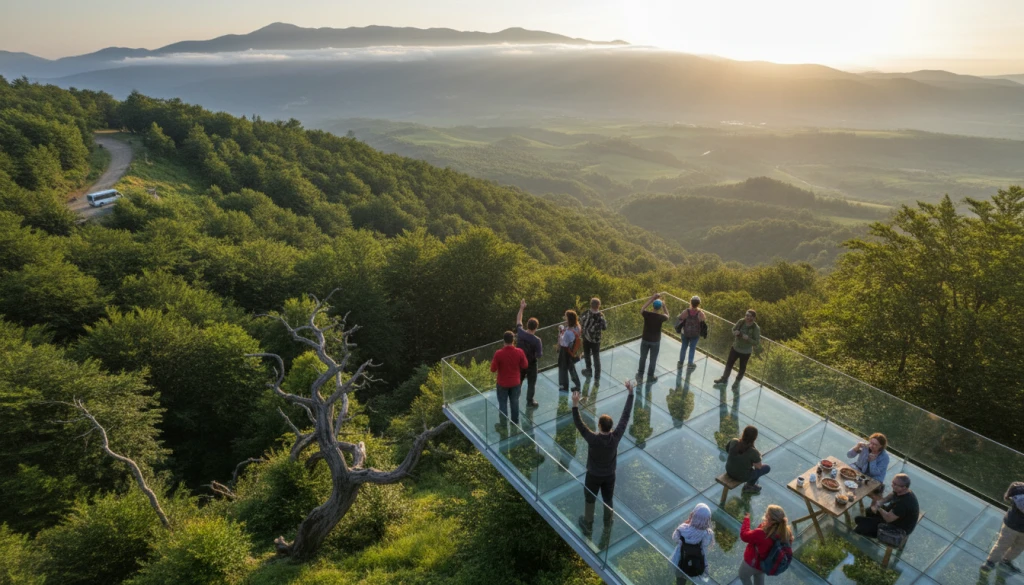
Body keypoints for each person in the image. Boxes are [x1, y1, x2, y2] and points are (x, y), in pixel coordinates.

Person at [572, 379, 635, 537]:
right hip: (609, 475)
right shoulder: (616, 437)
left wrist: (575, 404)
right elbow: (625, 416)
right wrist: (631, 393)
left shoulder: (592, 439)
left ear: (599, 426)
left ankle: (588, 524)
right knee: (608, 498)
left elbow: (579, 423)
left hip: (593, 475)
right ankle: (608, 523)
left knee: (590, 498)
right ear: (611, 427)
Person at [853, 473, 920, 539]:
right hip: (893, 515)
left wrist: (878, 507)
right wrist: (881, 502)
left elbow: (888, 519)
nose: (892, 485)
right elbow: (892, 494)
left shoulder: (903, 504)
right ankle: (869, 525)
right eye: (893, 483)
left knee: (858, 528)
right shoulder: (901, 491)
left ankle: (869, 529)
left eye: (895, 485)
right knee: (868, 511)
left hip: (897, 528)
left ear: (904, 487)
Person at [739, 506, 793, 585]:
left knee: (743, 576)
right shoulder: (786, 532)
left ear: (768, 517)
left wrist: (746, 519)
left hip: (751, 563)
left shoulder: (761, 533)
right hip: (765, 565)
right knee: (759, 577)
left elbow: (744, 536)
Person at [982, 481, 1024, 574]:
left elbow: (1009, 496)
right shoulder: (1020, 489)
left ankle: (1003, 561)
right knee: (1005, 544)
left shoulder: (1018, 487)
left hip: (1016, 526)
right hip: (1012, 525)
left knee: (1017, 547)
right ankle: (991, 562)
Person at [490, 331, 528, 429]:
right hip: (515, 382)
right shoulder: (519, 352)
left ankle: (503, 425)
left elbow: (493, 369)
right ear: (513, 340)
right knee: (515, 402)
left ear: (504, 341)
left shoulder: (498, 353)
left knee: (503, 404)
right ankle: (515, 423)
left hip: (502, 383)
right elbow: (525, 365)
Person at [715, 309, 760, 390]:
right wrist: (735, 332)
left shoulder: (756, 328)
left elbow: (757, 342)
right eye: (746, 315)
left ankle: (737, 382)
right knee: (729, 364)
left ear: (753, 318)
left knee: (742, 368)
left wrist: (748, 338)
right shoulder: (741, 321)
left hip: (746, 352)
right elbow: (733, 329)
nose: (747, 317)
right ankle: (724, 379)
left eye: (749, 316)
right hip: (735, 348)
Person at [671, 502, 715, 582]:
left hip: (680, 561)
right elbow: (705, 544)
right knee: (696, 578)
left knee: (680, 579)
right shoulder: (708, 534)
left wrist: (688, 521)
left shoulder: (683, 528)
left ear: (694, 514)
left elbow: (674, 537)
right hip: (697, 563)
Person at [726, 425, 771, 494]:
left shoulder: (734, 441)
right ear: (755, 438)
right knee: (766, 468)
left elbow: (727, 449)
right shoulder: (753, 452)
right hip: (741, 476)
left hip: (729, 469)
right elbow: (758, 467)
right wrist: (757, 456)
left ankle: (749, 485)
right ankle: (749, 486)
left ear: (743, 433)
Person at [515, 299, 543, 408]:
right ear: (536, 327)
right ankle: (529, 401)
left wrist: (522, 308)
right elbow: (539, 355)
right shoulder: (537, 340)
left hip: (520, 363)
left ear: (527, 325)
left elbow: (518, 320)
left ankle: (515, 398)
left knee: (518, 381)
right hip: (531, 364)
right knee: (531, 383)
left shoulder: (521, 333)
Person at [637, 292, 669, 382]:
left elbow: (642, 308)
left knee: (643, 357)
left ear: (653, 306)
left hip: (645, 339)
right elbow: (667, 315)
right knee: (653, 359)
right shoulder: (661, 317)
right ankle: (650, 376)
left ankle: (640, 374)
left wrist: (652, 299)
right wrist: (664, 305)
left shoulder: (647, 314)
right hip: (655, 341)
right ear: (659, 308)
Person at [580, 297, 608, 379]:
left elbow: (581, 322)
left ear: (591, 304)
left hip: (586, 338)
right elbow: (604, 327)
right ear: (599, 305)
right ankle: (597, 375)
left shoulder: (586, 313)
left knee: (587, 355)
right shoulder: (601, 316)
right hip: (596, 340)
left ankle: (588, 371)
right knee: (596, 356)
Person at [677, 295, 706, 370]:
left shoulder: (686, 311)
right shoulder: (700, 313)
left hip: (685, 332)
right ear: (698, 304)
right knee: (692, 348)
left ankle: (681, 362)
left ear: (691, 302)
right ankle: (690, 363)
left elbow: (680, 317)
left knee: (684, 347)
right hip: (695, 334)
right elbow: (704, 320)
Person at [558, 310, 582, 393]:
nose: (564, 318)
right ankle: (577, 385)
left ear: (569, 319)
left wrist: (561, 331)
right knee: (571, 369)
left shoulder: (568, 332)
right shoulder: (577, 326)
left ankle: (563, 387)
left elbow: (563, 343)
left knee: (562, 369)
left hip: (565, 352)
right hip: (572, 351)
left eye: (565, 317)